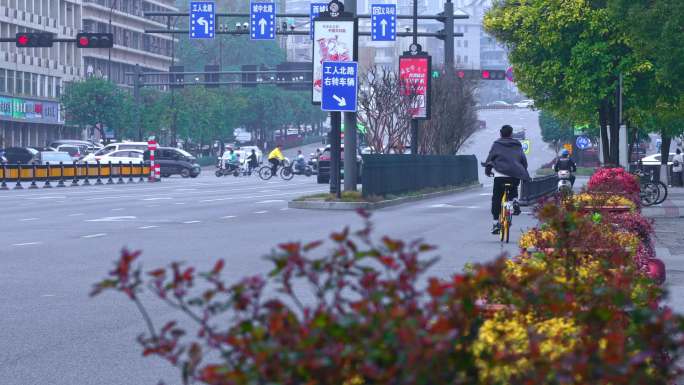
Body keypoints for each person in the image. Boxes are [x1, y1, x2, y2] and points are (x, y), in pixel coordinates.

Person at [484, 124, 531, 235]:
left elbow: (490, 158)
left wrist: (487, 171)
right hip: (514, 175)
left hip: (499, 176)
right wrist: (523, 169)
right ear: (511, 134)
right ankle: (515, 201)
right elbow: (523, 160)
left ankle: (496, 224)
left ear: (500, 133)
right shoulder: (517, 144)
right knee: (514, 186)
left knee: (496, 199)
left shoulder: (496, 144)